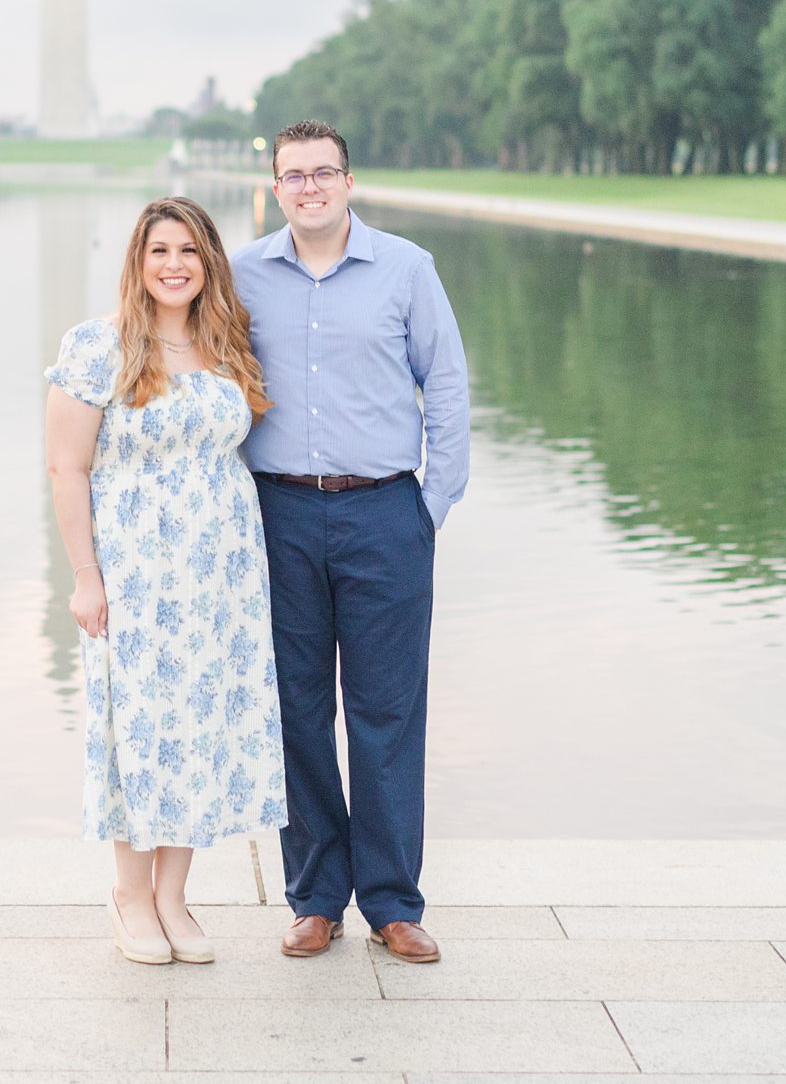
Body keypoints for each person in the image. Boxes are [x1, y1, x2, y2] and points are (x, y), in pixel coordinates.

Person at [232, 119, 469, 965]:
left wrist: (429, 505)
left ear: (349, 180)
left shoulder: (407, 268)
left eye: (322, 171)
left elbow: (445, 385)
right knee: (297, 711)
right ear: (275, 186)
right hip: (280, 516)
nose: (308, 187)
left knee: (387, 713)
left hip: (385, 515)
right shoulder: (244, 273)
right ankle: (317, 897)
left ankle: (395, 902)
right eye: (292, 175)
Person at [45, 195, 288, 967]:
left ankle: (175, 894)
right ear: (138, 262)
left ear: (208, 261)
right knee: (136, 728)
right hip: (136, 573)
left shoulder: (227, 346)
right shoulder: (100, 348)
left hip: (220, 578)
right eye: (160, 251)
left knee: (201, 728)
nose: (175, 264)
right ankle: (129, 893)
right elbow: (67, 466)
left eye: (189, 249)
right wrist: (86, 577)